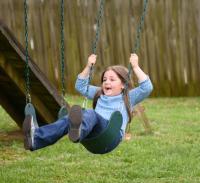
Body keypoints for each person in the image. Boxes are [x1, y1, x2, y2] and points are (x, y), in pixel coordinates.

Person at [23, 53, 153, 154]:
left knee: (88, 114)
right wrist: (88, 66)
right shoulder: (99, 93)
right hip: (92, 138)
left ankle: (79, 129)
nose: (107, 82)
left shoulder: (128, 97)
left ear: (123, 85)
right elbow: (80, 85)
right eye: (104, 79)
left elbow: (147, 87)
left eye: (112, 80)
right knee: (69, 118)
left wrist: (135, 67)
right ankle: (36, 139)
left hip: (110, 137)